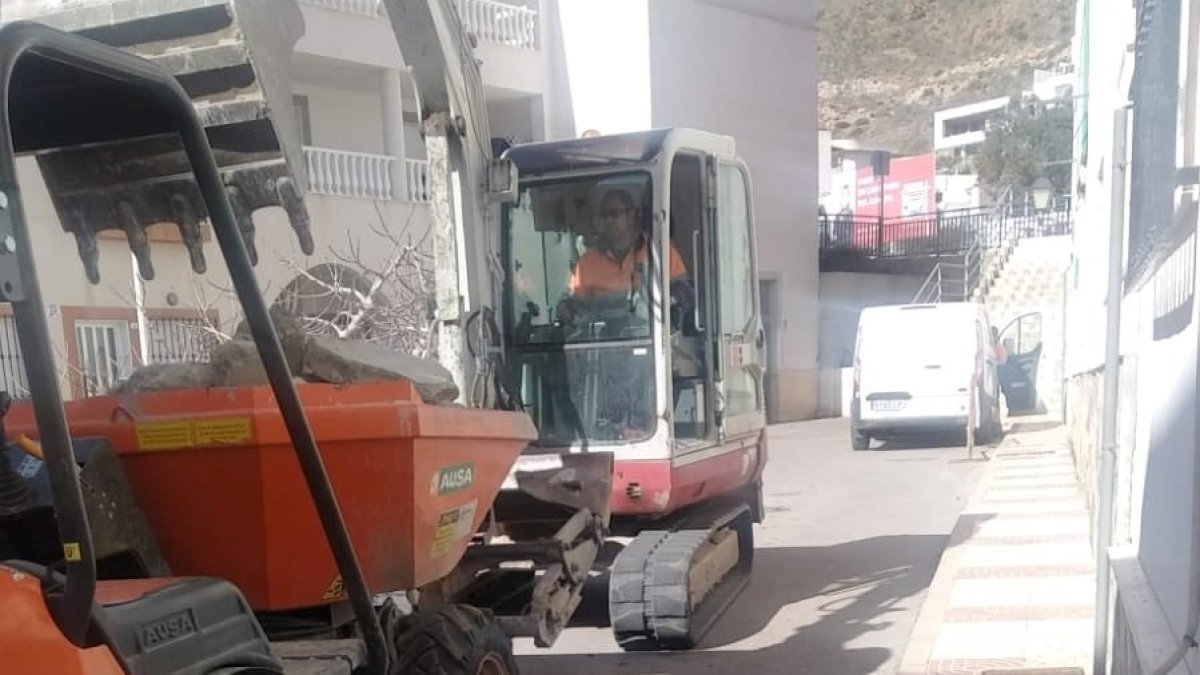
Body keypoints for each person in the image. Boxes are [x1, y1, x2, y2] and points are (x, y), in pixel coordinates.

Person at [567, 188, 689, 299]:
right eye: (604, 215)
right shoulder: (586, 263)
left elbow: (683, 291)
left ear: (631, 215)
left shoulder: (661, 252)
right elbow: (574, 302)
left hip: (652, 322)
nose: (609, 220)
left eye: (614, 213)